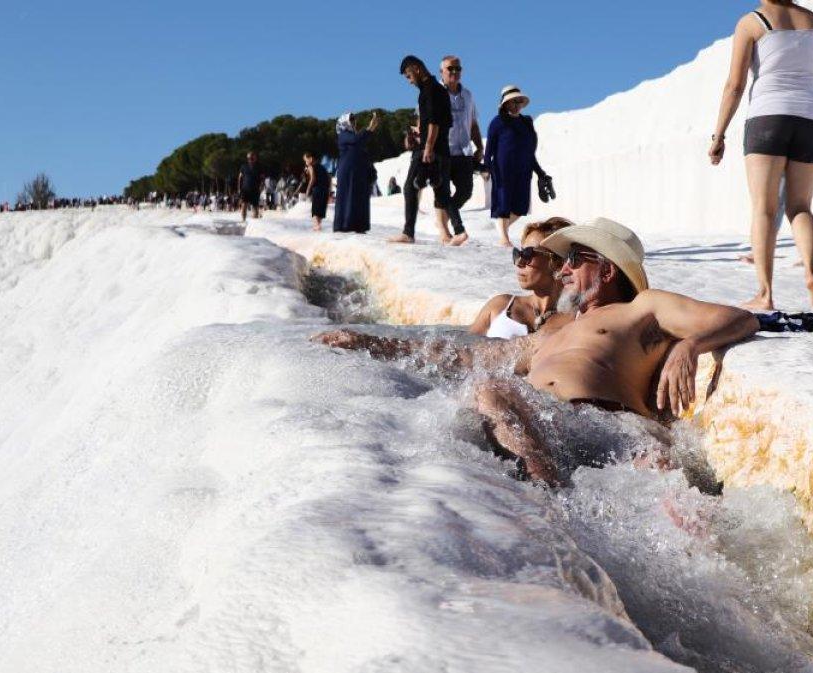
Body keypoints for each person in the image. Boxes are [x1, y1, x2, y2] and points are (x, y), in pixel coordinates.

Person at [317, 218, 759, 485]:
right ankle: (546, 499)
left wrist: (690, 346)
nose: (563, 270)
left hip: (613, 428)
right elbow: (464, 357)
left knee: (661, 474)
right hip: (547, 425)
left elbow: (740, 318)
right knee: (488, 387)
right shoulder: (553, 334)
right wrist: (369, 342)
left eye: (573, 260)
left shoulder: (642, 308)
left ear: (605, 269)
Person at [709, 0, 813, 311]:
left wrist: (719, 135)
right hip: (812, 119)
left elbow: (735, 85)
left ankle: (765, 293)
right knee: (800, 207)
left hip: (768, 117)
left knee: (764, 209)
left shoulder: (752, 22)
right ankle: (811, 273)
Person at [392, 55, 468, 246]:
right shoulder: (439, 90)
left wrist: (427, 147)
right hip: (442, 149)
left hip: (429, 150)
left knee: (410, 187)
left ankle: (408, 233)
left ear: (416, 69)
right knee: (441, 191)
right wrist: (420, 133)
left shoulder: (430, 90)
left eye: (409, 76)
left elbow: (434, 121)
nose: (409, 82)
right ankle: (459, 231)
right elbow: (442, 122)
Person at [468, 218, 574, 338]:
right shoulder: (500, 306)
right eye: (518, 253)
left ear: (559, 262)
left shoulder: (576, 319)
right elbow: (463, 350)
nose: (519, 262)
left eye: (528, 254)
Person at [485, 85, 550, 247]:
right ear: (505, 104)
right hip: (502, 170)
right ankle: (504, 238)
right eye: (513, 101)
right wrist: (489, 169)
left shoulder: (527, 123)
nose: (516, 104)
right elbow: (489, 151)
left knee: (521, 208)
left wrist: (540, 173)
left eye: (519, 101)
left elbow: (530, 152)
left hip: (524, 170)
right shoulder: (497, 122)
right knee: (504, 205)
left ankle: (501, 228)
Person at [438, 55, 485, 239]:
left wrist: (479, 146)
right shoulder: (435, 93)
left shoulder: (468, 95)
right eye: (450, 68)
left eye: (458, 68)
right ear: (442, 72)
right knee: (443, 191)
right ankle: (452, 229)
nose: (455, 72)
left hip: (464, 152)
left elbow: (473, 123)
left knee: (465, 191)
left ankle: (445, 219)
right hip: (442, 151)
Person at [332, 111, 379, 234]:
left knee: (360, 198)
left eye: (354, 120)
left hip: (358, 172)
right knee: (348, 197)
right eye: (351, 120)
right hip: (348, 173)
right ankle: (344, 225)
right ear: (344, 122)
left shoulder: (355, 135)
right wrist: (370, 128)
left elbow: (361, 146)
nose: (354, 122)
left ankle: (359, 226)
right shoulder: (344, 134)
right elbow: (356, 140)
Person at [301, 152, 332, 231]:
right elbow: (329, 178)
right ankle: (318, 232)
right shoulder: (322, 167)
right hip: (325, 190)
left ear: (310, 159)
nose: (305, 162)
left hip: (317, 190)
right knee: (320, 214)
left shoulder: (311, 166)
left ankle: (317, 232)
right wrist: (329, 191)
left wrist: (308, 190)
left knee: (315, 213)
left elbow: (312, 179)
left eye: (306, 160)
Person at [238, 151, 264, 222]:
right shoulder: (244, 166)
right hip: (245, 189)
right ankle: (243, 220)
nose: (250, 159)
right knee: (244, 205)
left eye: (252, 158)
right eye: (249, 158)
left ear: (255, 158)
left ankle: (255, 223)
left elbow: (262, 178)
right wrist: (239, 188)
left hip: (255, 189)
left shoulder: (259, 167)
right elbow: (240, 178)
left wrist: (261, 186)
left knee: (255, 206)